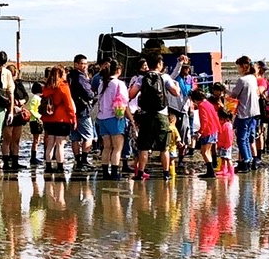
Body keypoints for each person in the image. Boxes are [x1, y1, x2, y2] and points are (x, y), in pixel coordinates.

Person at [129, 52, 181, 180]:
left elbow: (131, 95)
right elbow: (176, 93)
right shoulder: (165, 78)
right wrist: (178, 87)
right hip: (162, 115)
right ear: (158, 64)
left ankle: (140, 173)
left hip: (146, 116)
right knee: (164, 147)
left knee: (144, 147)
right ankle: (166, 174)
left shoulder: (141, 78)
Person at [38, 64, 76, 179]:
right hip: (61, 119)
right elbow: (69, 104)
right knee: (60, 144)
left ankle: (48, 166)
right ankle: (60, 167)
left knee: (50, 143)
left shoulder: (46, 87)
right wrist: (73, 118)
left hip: (48, 119)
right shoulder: (63, 86)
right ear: (61, 74)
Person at [94, 61, 129, 180]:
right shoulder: (119, 84)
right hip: (114, 118)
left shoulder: (102, 83)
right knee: (117, 147)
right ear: (118, 70)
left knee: (107, 147)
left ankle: (105, 172)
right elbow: (124, 102)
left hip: (102, 118)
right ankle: (114, 172)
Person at [229, 56, 262, 172]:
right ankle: (250, 160)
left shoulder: (242, 80)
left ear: (243, 66)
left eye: (238, 66)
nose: (237, 69)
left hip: (244, 113)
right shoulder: (253, 78)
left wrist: (225, 90)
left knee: (241, 139)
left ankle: (246, 162)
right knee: (248, 138)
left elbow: (233, 95)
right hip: (254, 112)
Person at [67, 54, 99, 172]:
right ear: (75, 64)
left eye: (85, 63)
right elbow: (88, 93)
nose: (84, 66)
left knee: (75, 137)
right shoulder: (80, 77)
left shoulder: (69, 76)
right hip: (82, 110)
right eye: (82, 63)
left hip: (71, 110)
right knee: (88, 136)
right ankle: (84, 160)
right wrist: (94, 96)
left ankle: (78, 160)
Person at [0, 67, 30, 172]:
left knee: (16, 139)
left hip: (18, 114)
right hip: (8, 112)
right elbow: (2, 97)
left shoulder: (18, 84)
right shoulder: (3, 84)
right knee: (7, 139)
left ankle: (15, 161)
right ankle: (6, 162)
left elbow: (26, 96)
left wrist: (22, 101)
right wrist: (11, 104)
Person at [189, 87, 220, 178]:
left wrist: (200, 132)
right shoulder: (208, 103)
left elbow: (204, 120)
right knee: (206, 151)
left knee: (204, 152)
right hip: (213, 129)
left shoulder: (202, 106)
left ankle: (210, 172)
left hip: (208, 130)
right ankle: (210, 171)